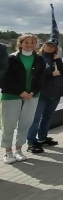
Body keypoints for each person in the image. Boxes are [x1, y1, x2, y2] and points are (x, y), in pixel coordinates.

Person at [1, 34, 46, 164]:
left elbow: (41, 78)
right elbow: (4, 78)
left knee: (25, 123)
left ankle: (19, 150)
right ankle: (8, 152)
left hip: (32, 96)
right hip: (11, 95)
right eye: (26, 42)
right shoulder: (11, 58)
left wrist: (32, 92)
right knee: (9, 124)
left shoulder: (39, 59)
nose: (30, 45)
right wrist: (20, 92)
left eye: (32, 42)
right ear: (20, 43)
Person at [27, 39, 63, 153]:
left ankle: (43, 137)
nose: (50, 48)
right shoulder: (39, 58)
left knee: (48, 117)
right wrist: (50, 74)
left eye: (52, 46)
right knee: (36, 118)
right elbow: (36, 75)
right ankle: (31, 141)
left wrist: (58, 60)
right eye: (48, 46)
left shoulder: (57, 59)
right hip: (42, 94)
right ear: (43, 47)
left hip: (55, 93)